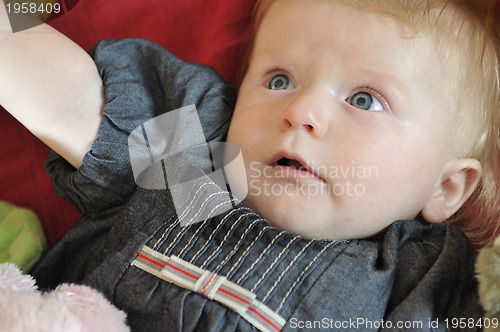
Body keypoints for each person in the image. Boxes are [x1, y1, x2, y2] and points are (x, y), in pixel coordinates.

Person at [1, 0, 499, 331]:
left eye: (365, 100)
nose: (302, 111)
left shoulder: (417, 280)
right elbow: (69, 97)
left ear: (448, 188)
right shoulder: (196, 158)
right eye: (279, 80)